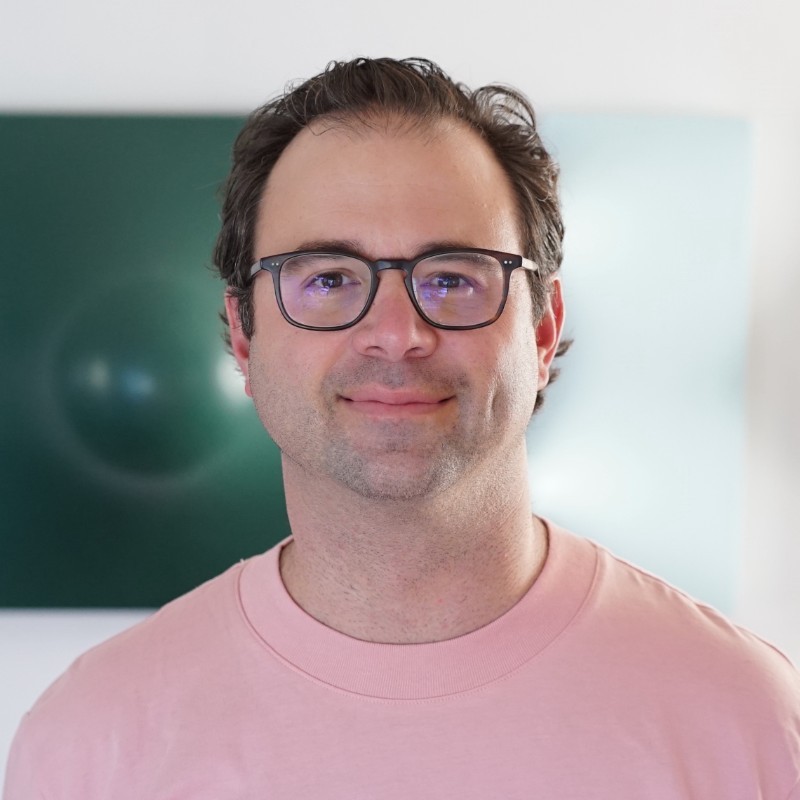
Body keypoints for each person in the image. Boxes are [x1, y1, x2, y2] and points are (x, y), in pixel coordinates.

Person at [4, 57, 800, 799]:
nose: (395, 332)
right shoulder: (92, 745)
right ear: (244, 337)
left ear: (543, 328)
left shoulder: (748, 724)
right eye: (327, 279)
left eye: (452, 277)